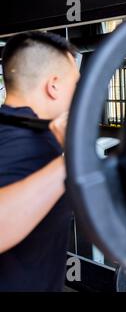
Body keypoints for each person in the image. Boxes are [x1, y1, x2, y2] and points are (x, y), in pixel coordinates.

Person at [0, 31, 79, 291]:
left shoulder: (10, 127)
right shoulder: (34, 144)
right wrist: (70, 160)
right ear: (53, 85)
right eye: (76, 85)